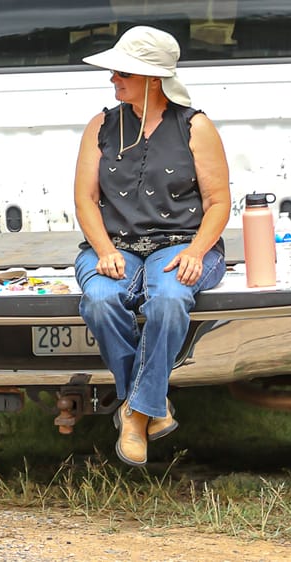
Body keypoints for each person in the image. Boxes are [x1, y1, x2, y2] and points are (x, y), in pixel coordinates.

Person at [72, 27, 231, 467]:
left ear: (153, 79)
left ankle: (135, 413)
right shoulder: (101, 125)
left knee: (169, 299)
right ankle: (149, 407)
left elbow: (219, 202)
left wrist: (196, 251)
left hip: (181, 243)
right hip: (113, 244)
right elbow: (85, 199)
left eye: (123, 72)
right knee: (100, 299)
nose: (113, 79)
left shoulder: (195, 126)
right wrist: (104, 249)